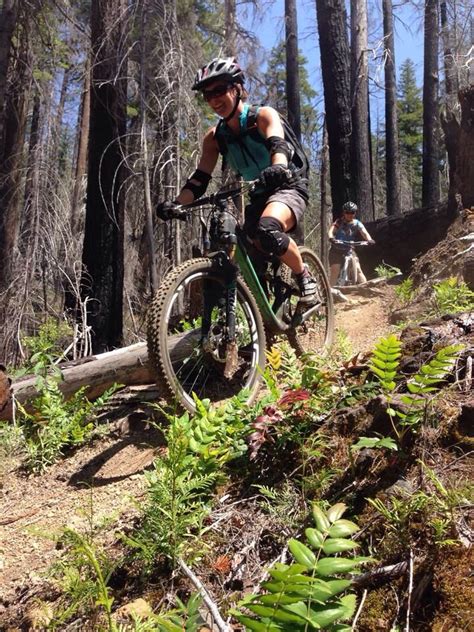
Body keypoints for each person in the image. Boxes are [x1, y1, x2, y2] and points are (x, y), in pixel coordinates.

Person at [156, 57, 317, 306]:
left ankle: (303, 274)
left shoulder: (262, 116)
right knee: (249, 251)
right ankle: (263, 318)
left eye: (219, 90)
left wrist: (278, 166)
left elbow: (278, 144)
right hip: (259, 190)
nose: (213, 100)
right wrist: (176, 203)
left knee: (267, 229)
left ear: (238, 88)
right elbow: (200, 179)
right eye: (207, 95)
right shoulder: (214, 137)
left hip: (287, 184)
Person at [328, 201, 375, 286]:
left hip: (349, 249)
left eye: (352, 212)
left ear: (355, 213)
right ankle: (330, 293)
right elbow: (331, 231)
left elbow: (364, 232)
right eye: (347, 212)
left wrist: (369, 239)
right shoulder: (339, 222)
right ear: (344, 213)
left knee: (358, 269)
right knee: (335, 270)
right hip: (336, 250)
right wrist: (331, 238)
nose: (350, 215)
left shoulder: (357, 223)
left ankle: (366, 289)